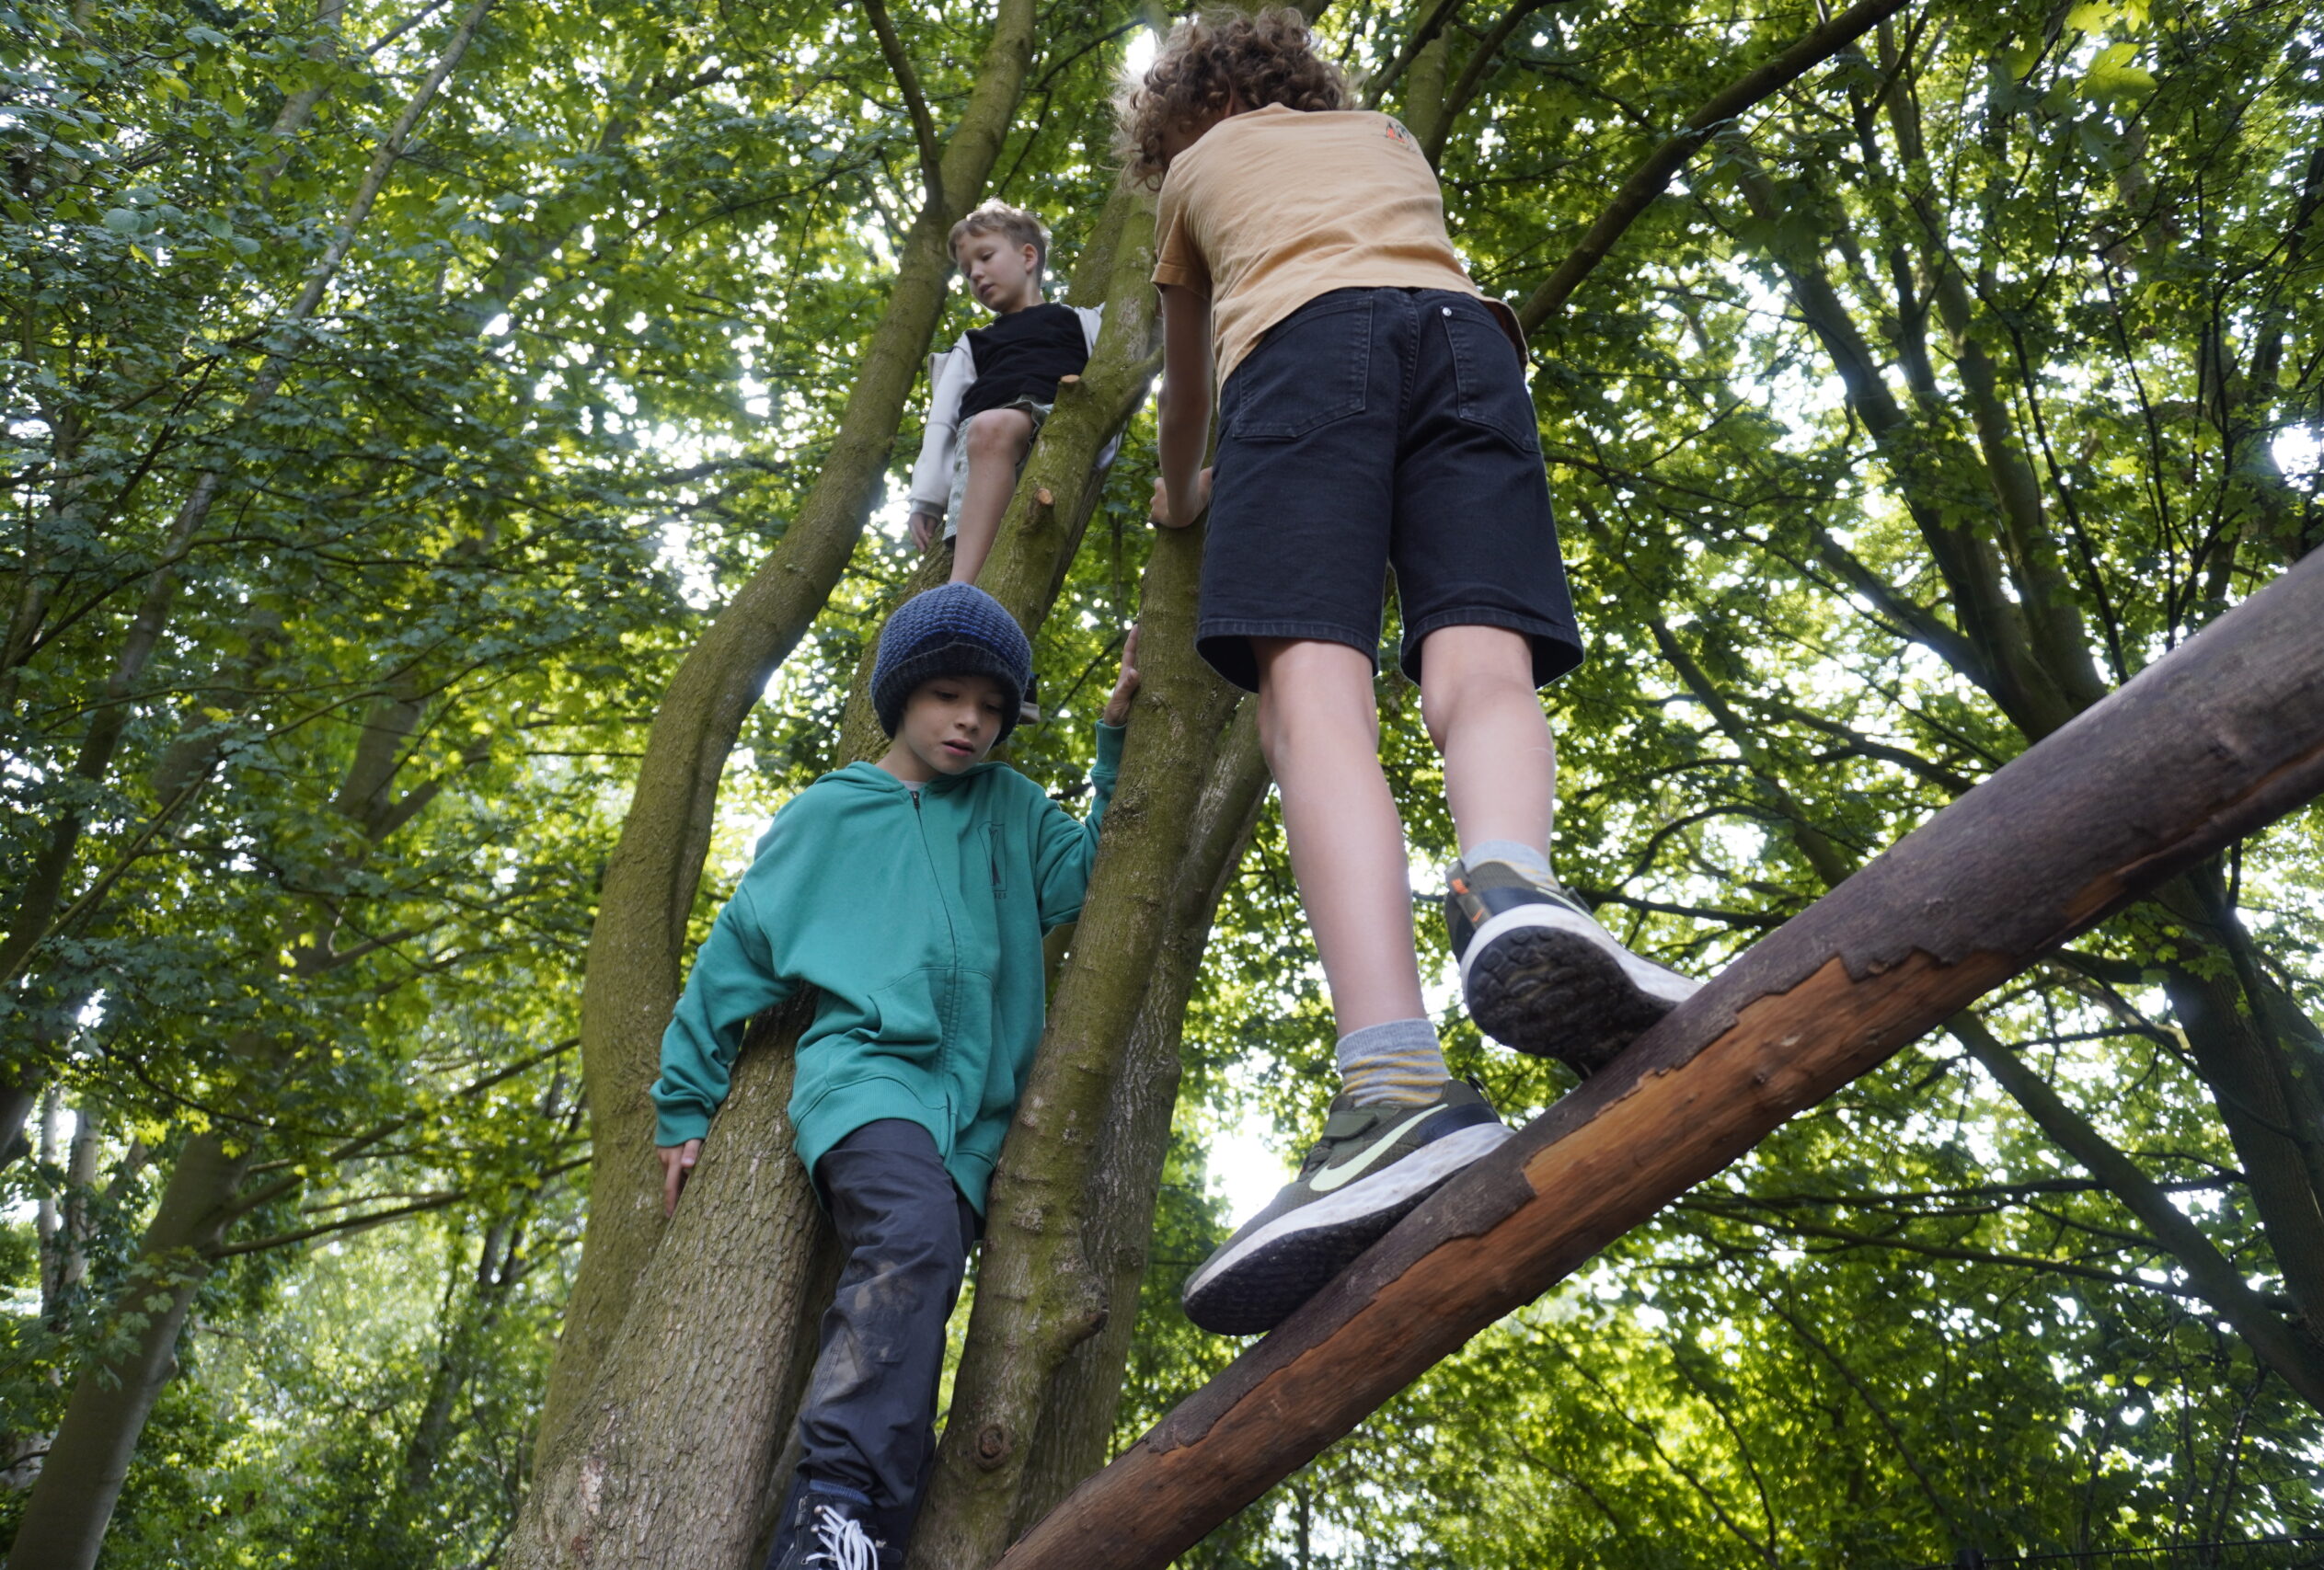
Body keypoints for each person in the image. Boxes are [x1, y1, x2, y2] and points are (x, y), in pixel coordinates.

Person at [1118, 8, 1703, 1336]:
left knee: (1312, 698)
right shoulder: (1383, 138)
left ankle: (1393, 1081)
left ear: (1178, 127)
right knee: (1479, 653)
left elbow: (1185, 377)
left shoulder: (1202, 179)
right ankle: (1510, 879)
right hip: (1470, 347)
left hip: (1302, 353)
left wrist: (1177, 491)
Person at [650, 583, 1138, 1568]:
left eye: (993, 707)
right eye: (948, 696)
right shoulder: (827, 818)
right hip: (868, 1083)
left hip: (977, 1126)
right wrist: (682, 1106)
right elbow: (729, 960)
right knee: (911, 1240)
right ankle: (830, 1514)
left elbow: (1091, 873)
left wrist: (1115, 744)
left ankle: (869, 1533)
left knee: (924, 1289)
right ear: (903, 694)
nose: (970, 720)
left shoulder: (1010, 806)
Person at [906, 200, 1102, 585]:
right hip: (983, 444)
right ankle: (965, 590)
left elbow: (1152, 328)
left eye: (986, 257)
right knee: (988, 427)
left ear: (1028, 256)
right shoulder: (975, 342)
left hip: (1057, 424)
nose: (976, 274)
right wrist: (927, 497)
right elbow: (942, 420)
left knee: (992, 427)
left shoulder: (1082, 321)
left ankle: (961, 590)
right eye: (966, 271)